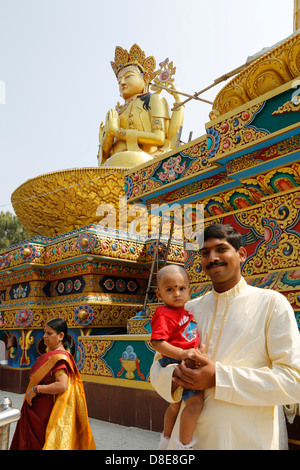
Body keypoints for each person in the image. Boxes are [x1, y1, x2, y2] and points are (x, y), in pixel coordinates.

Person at [150, 223, 300, 450]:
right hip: (186, 443)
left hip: (247, 439)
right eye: (205, 253)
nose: (213, 258)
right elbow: (156, 369)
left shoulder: (271, 304)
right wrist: (175, 377)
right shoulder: (187, 309)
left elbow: (293, 381)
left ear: (241, 255)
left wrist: (218, 378)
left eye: (221, 249)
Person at [10, 318, 96, 450]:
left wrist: (37, 389)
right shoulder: (50, 355)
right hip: (36, 411)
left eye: (49, 333)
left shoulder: (59, 358)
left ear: (61, 336)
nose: (44, 336)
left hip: (45, 414)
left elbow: (62, 385)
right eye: (44, 332)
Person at [98, 43, 184, 167]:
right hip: (113, 167)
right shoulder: (115, 113)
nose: (122, 82)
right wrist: (109, 136)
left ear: (145, 80)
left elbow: (159, 138)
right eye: (119, 80)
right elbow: (103, 158)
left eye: (128, 76)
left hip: (145, 162)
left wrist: (118, 133)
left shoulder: (153, 99)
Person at [150, 265, 204, 450]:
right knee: (195, 403)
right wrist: (182, 353)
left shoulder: (186, 311)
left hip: (186, 359)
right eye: (170, 289)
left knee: (175, 406)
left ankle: (165, 441)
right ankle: (183, 445)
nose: (177, 293)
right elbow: (157, 342)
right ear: (159, 295)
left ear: (190, 290)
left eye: (182, 288)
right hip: (176, 361)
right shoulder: (163, 314)